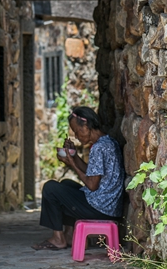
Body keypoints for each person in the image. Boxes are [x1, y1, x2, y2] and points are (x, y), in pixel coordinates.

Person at [32, 106, 125, 250]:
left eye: (76, 131)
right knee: (66, 184)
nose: (76, 136)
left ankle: (58, 238)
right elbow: (93, 172)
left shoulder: (99, 148)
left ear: (86, 125)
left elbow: (92, 185)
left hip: (101, 209)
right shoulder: (107, 142)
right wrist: (74, 156)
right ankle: (69, 235)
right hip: (109, 206)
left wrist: (72, 164)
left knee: (50, 188)